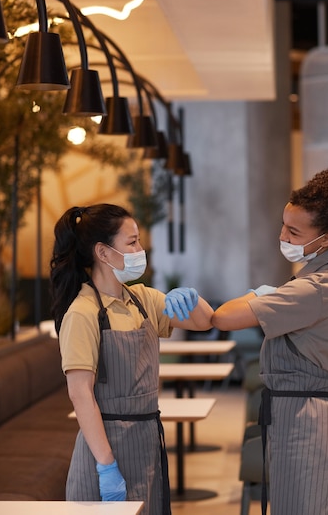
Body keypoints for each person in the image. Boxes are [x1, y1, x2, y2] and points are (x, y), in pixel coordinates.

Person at [212, 168, 328, 515]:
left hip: (306, 427)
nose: (282, 235)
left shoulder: (314, 288)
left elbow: (223, 317)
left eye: (294, 231)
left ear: (326, 238)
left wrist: (257, 294)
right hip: (306, 419)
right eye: (283, 225)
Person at [50, 203, 214, 514]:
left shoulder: (144, 300)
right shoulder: (82, 313)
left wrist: (191, 298)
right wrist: (107, 466)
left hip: (146, 441)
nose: (141, 249)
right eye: (132, 242)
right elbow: (80, 393)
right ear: (103, 252)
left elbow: (205, 321)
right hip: (105, 450)